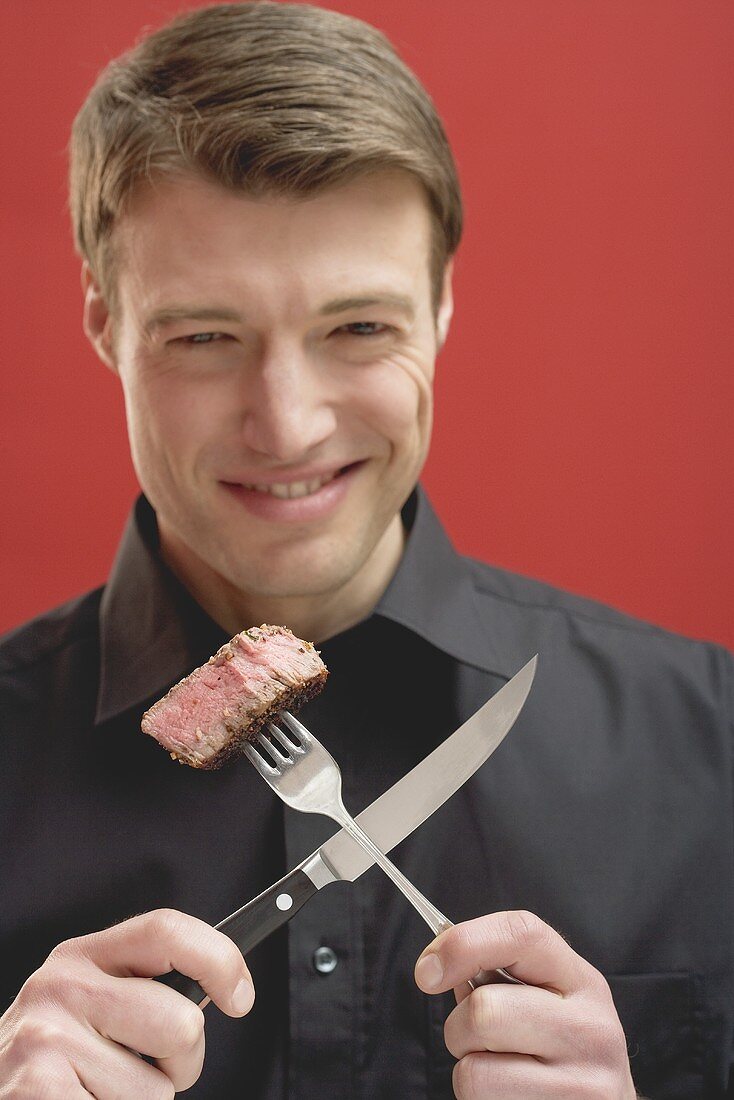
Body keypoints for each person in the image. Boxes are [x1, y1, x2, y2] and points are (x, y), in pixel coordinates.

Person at [0, 2, 731, 1096]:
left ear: (439, 305)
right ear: (106, 324)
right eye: (204, 335)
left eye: (357, 328)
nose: (285, 424)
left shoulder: (707, 746)